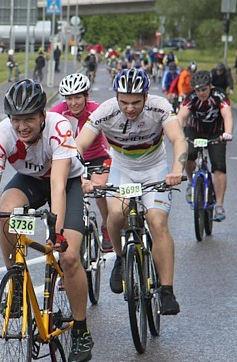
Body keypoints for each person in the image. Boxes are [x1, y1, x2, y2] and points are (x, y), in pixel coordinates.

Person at [0, 79, 94, 362]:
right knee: (8, 210)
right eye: (16, 120)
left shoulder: (59, 128)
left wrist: (57, 233)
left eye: (29, 119)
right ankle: (18, 284)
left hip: (66, 182)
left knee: (70, 255)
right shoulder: (1, 135)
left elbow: (58, 187)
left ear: (42, 115)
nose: (22, 126)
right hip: (31, 181)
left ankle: (81, 330)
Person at [74, 69, 187, 315]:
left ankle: (167, 291)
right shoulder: (105, 111)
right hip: (122, 170)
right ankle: (120, 258)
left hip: (155, 170)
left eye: (136, 102)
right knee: (116, 215)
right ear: (116, 97)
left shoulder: (159, 107)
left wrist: (177, 169)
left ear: (146, 96)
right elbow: (78, 146)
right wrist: (82, 176)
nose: (130, 108)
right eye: (124, 102)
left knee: (157, 222)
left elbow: (178, 139)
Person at [50, 73, 113, 252]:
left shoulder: (97, 110)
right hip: (69, 158)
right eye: (69, 98)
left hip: (97, 155)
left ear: (86, 96)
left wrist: (112, 160)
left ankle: (107, 225)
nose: (73, 103)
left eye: (77, 97)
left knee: (100, 188)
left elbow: (111, 138)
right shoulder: (57, 112)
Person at [177, 70, 234, 222]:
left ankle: (219, 205)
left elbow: (227, 115)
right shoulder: (191, 98)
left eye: (203, 89)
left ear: (210, 86)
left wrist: (228, 133)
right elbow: (182, 116)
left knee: (219, 166)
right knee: (188, 155)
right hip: (196, 130)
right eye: (197, 90)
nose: (201, 93)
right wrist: (178, 134)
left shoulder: (219, 95)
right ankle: (191, 183)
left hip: (216, 133)